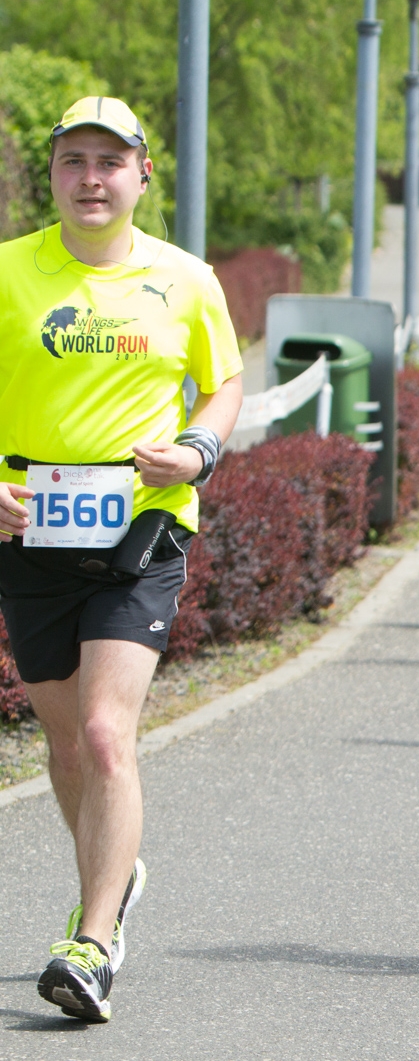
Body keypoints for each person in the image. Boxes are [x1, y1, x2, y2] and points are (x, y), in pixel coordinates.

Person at [0, 97, 244, 1022]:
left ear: (145, 174)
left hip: (140, 526)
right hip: (27, 527)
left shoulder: (185, 279)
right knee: (65, 742)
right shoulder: (8, 270)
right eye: (74, 161)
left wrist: (198, 450)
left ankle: (94, 938)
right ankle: (115, 870)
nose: (91, 178)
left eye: (111, 161)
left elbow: (222, 382)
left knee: (106, 733)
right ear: (54, 172)